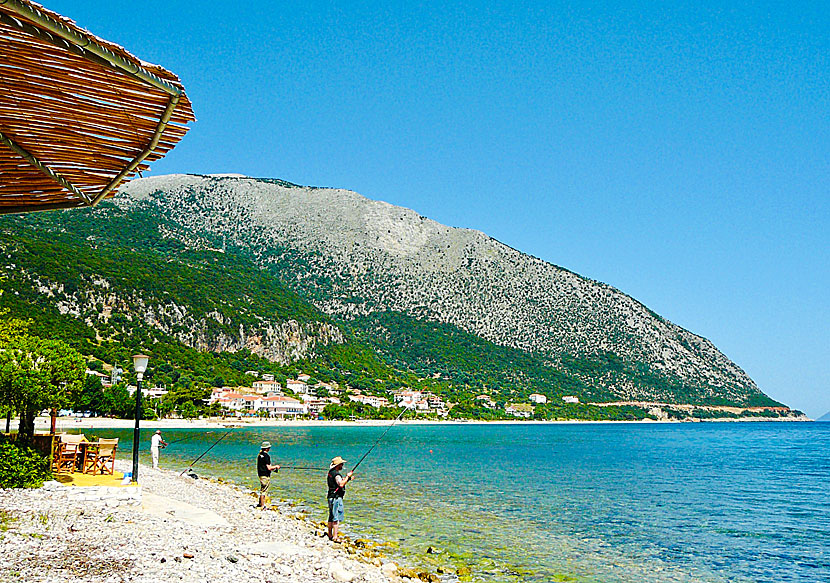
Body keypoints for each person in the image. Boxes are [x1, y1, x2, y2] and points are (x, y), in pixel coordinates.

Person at [326, 456, 353, 542]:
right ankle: (335, 536)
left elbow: (340, 482)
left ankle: (330, 534)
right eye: (341, 464)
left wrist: (347, 479)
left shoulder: (331, 472)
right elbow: (341, 484)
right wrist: (348, 477)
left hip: (330, 496)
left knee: (331, 516)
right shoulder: (337, 475)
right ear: (338, 465)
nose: (342, 465)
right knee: (336, 517)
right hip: (336, 498)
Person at [257, 441, 279, 509]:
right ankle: (262, 506)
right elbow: (269, 468)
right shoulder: (266, 456)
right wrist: (276, 466)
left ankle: (260, 503)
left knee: (262, 489)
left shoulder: (260, 455)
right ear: (267, 448)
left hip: (260, 474)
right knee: (264, 491)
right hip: (265, 475)